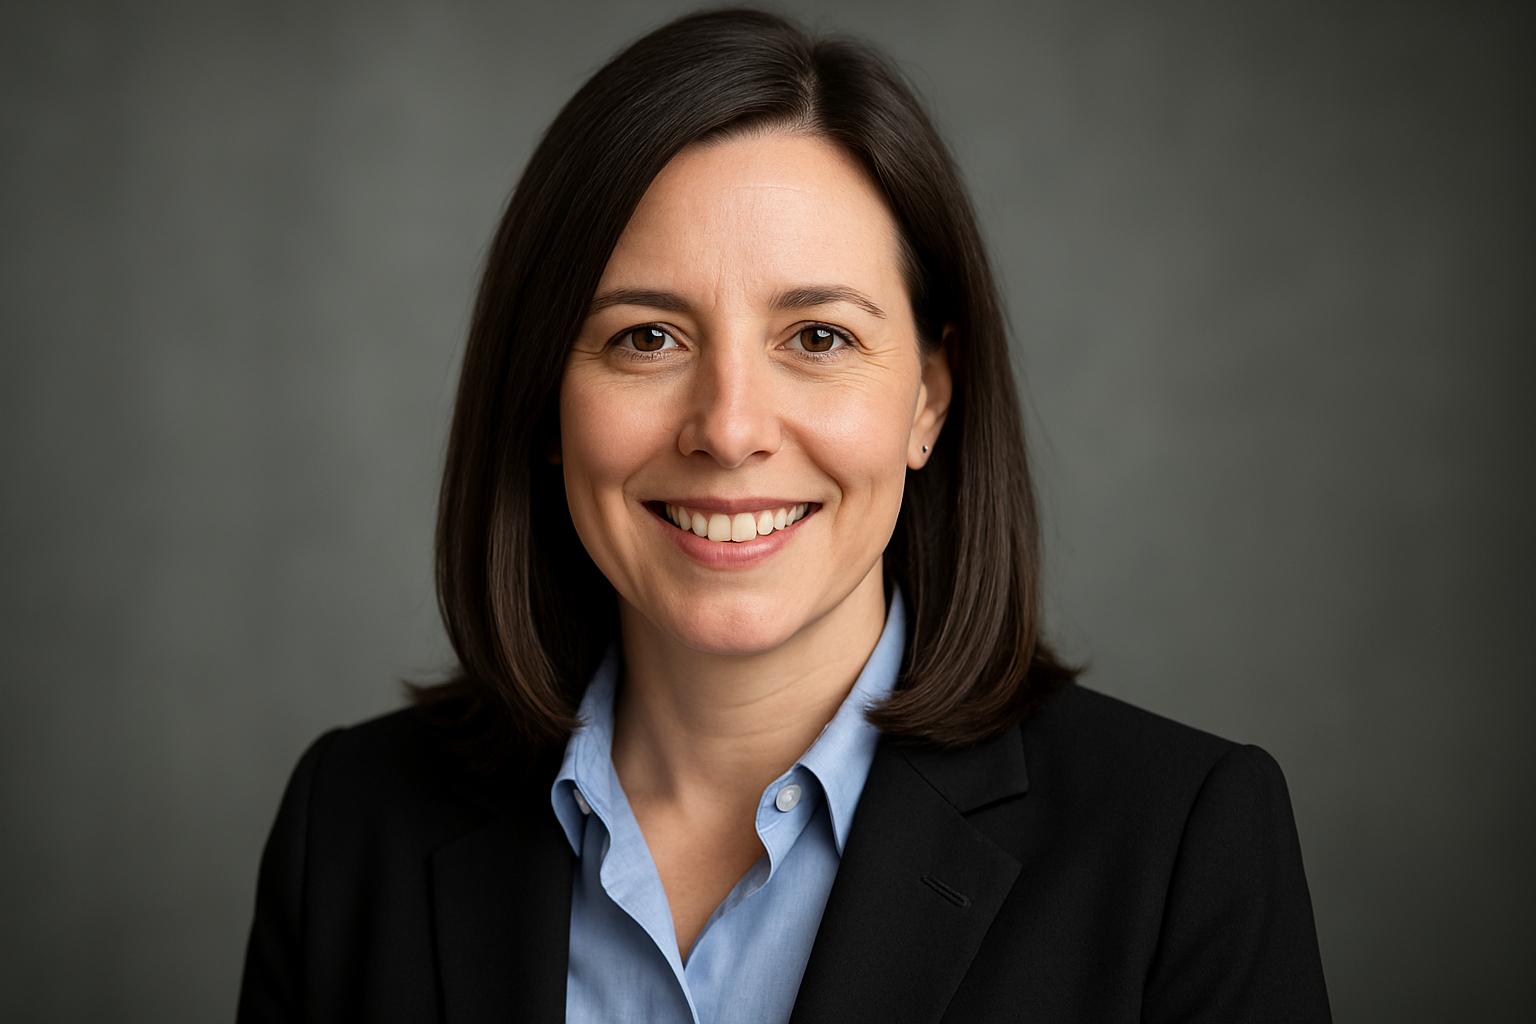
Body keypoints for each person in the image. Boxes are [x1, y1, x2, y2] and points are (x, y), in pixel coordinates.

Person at [237, 9, 1331, 1023]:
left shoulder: (1179, 844)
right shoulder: (351, 826)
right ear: (543, 400)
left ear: (931, 397)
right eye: (646, 337)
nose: (728, 428)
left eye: (818, 338)